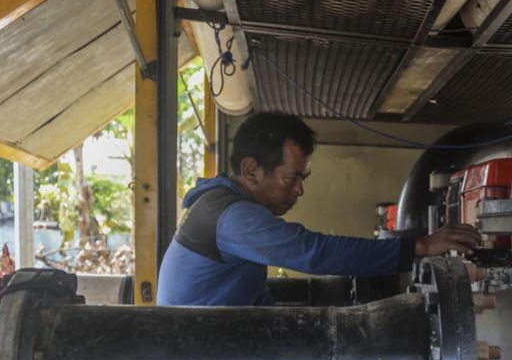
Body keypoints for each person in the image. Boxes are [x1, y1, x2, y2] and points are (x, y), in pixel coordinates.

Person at [157, 112, 479, 305]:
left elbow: (253, 298)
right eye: (292, 178)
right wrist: (420, 246)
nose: (299, 189)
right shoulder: (230, 216)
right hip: (195, 359)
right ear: (252, 169)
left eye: (303, 177)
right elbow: (312, 252)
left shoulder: (221, 204)